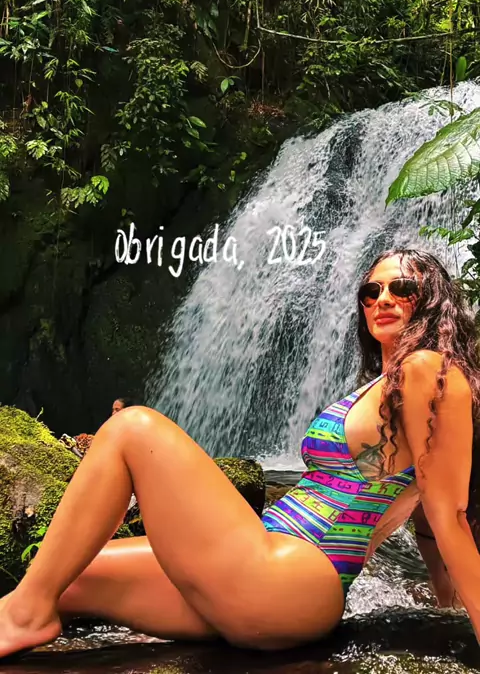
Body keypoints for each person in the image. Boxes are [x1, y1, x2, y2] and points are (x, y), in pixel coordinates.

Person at [1, 247, 480, 657]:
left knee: (131, 427)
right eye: (371, 291)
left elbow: (448, 514)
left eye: (402, 288)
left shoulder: (430, 369)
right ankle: (30, 609)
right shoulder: (387, 384)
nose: (383, 299)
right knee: (70, 574)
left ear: (432, 299)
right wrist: (444, 607)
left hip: (295, 579)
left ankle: (24, 615)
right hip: (257, 565)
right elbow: (424, 511)